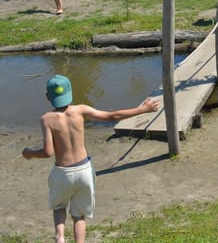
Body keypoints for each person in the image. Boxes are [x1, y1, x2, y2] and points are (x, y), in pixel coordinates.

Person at [22, 75, 160, 243]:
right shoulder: (81, 110)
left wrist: (30, 153)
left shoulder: (47, 119)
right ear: (70, 93)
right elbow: (112, 116)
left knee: (59, 206)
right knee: (79, 215)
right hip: (84, 172)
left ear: (47, 96)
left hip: (62, 173)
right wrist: (142, 109)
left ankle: (60, 238)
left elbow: (48, 152)